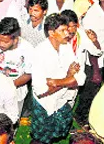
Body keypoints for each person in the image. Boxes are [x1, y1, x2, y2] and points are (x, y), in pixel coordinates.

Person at [30, 13, 85, 144]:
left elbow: (81, 78)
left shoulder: (66, 47)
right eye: (63, 30)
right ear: (51, 33)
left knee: (55, 135)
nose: (68, 33)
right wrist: (68, 78)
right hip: (45, 105)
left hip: (61, 101)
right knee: (40, 139)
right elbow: (41, 91)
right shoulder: (40, 52)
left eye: (67, 29)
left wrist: (55, 82)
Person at [0, 17, 34, 115]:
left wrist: (9, 86)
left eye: (5, 42)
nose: (1, 44)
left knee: (10, 122)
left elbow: (28, 74)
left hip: (15, 94)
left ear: (15, 39)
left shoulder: (28, 49)